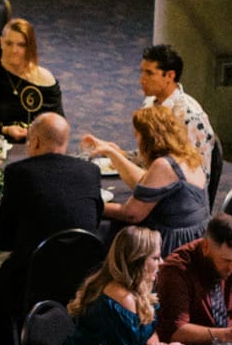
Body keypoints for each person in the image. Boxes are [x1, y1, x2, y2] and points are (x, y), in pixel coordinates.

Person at [0, 113, 105, 296]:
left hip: (32, 275)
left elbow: (5, 229)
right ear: (65, 141)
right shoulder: (91, 170)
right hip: (83, 273)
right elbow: (96, 218)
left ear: (35, 141)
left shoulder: (19, 172)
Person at [84, 103, 208, 255]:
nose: (136, 140)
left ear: (149, 137)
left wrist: (91, 204)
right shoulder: (186, 157)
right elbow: (143, 181)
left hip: (172, 244)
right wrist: (111, 153)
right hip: (195, 237)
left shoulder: (164, 165)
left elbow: (131, 214)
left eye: (137, 134)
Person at [154, 215, 232, 345]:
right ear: (206, 247)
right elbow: (175, 331)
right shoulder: (177, 270)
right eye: (226, 260)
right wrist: (228, 334)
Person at [0, 18, 64, 141]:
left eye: (21, 45)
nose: (14, 50)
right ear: (1, 42)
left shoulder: (45, 80)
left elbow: (58, 126)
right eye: (9, 43)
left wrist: (35, 132)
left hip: (33, 145)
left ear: (30, 46)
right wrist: (5, 130)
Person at [136, 42, 216, 168]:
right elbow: (148, 155)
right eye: (142, 72)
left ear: (169, 76)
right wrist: (118, 154)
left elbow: (195, 169)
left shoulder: (189, 116)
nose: (142, 80)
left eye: (149, 73)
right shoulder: (150, 102)